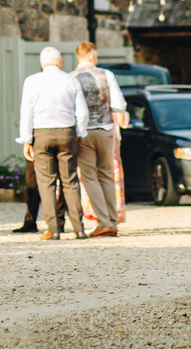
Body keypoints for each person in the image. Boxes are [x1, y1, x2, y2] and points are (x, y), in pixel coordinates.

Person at [19, 46, 89, 240]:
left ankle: (53, 229)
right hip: (66, 132)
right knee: (70, 181)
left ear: (42, 63)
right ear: (59, 62)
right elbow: (82, 112)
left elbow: (27, 113)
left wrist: (26, 140)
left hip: (42, 134)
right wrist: (79, 133)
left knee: (46, 182)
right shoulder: (71, 80)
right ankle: (79, 228)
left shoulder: (32, 81)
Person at [72, 43, 128, 238]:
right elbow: (118, 104)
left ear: (78, 57)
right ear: (93, 56)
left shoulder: (72, 78)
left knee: (89, 177)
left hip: (85, 131)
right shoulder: (107, 75)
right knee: (106, 174)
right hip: (106, 130)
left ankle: (103, 221)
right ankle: (112, 221)